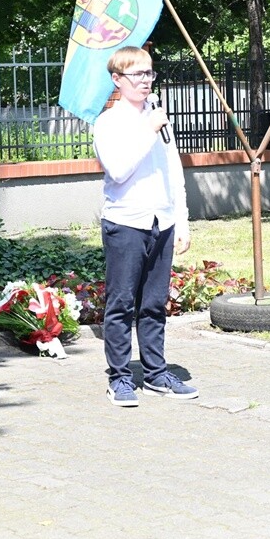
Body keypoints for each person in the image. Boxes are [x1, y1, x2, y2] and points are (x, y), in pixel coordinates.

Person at [94, 45, 196, 407]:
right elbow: (119, 170)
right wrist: (147, 130)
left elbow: (173, 174)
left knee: (154, 304)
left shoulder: (158, 117)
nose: (145, 81)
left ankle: (155, 374)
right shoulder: (109, 123)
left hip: (162, 221)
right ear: (117, 80)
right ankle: (119, 378)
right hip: (126, 223)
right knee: (121, 303)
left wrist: (181, 220)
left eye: (149, 73)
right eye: (136, 74)